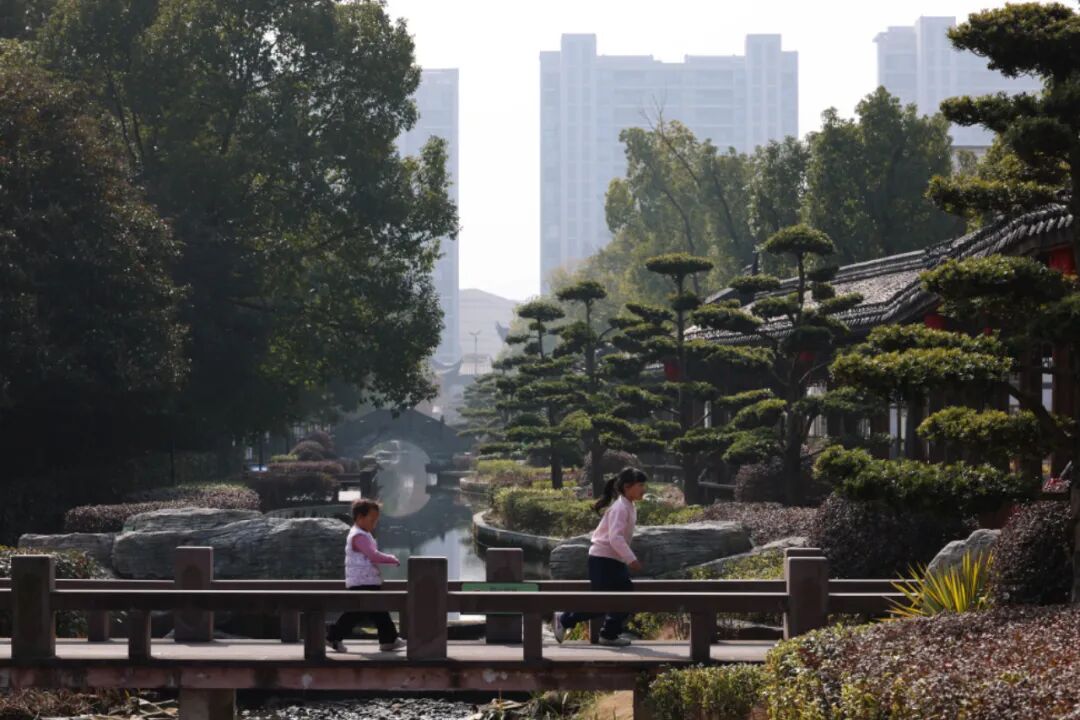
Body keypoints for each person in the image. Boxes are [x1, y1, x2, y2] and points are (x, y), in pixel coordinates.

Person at [552, 467, 647, 647]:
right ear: (627, 487)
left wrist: (626, 558)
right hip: (603, 559)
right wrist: (631, 559)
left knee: (624, 596)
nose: (644, 489)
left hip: (612, 560)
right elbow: (615, 538)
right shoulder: (620, 508)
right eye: (640, 485)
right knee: (602, 601)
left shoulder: (628, 506)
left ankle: (609, 634)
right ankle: (564, 619)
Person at [326, 498, 406, 653]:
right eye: (372, 520)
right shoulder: (359, 536)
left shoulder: (362, 534)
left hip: (365, 580)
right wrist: (391, 559)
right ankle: (333, 637)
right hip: (362, 581)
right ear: (360, 517)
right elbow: (373, 555)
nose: (374, 523)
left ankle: (388, 640)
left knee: (378, 611)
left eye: (376, 520)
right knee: (358, 612)